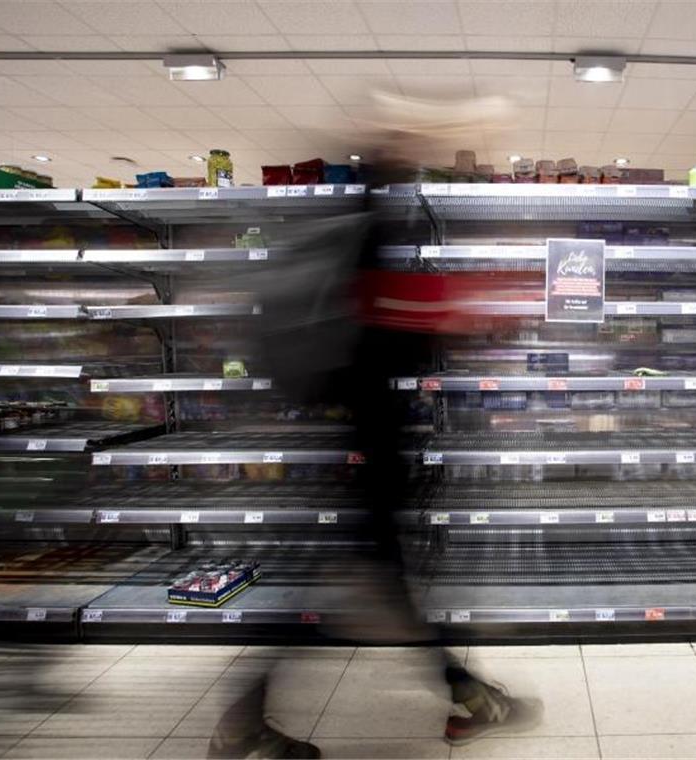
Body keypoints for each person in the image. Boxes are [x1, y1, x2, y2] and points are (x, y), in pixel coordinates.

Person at [209, 153, 541, 759]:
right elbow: (398, 319)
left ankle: (465, 694)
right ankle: (466, 696)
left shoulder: (350, 246)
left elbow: (390, 325)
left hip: (359, 449)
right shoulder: (372, 250)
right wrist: (474, 307)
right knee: (362, 592)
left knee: (364, 590)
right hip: (373, 456)